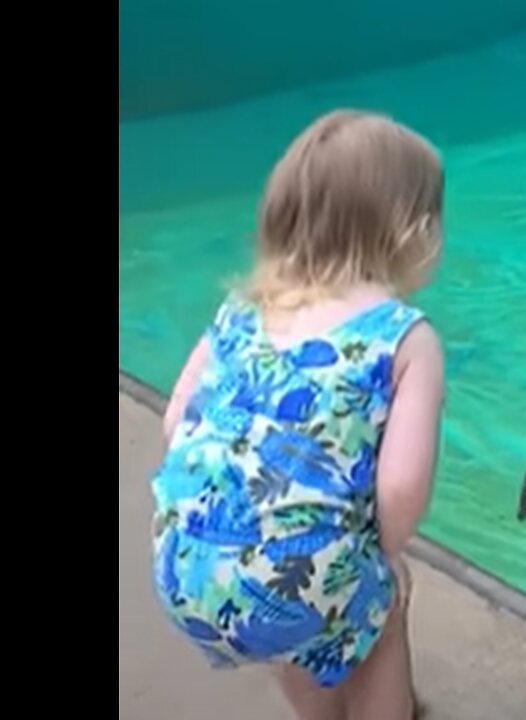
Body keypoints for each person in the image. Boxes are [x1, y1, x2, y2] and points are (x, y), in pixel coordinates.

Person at [149, 108, 447, 720]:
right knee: (378, 601)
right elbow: (399, 486)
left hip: (185, 570)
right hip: (298, 579)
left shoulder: (240, 310)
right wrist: (384, 558)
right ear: (411, 229)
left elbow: (176, 417)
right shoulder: (405, 338)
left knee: (296, 606)